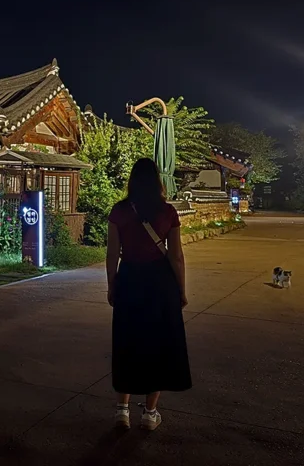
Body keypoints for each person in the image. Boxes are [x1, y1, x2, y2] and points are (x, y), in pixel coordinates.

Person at [106, 158, 192, 430]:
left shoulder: (119, 211)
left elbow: (111, 255)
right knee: (158, 345)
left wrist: (112, 285)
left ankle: (122, 409)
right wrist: (181, 289)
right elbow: (176, 257)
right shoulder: (167, 212)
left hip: (130, 280)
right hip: (160, 283)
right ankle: (149, 413)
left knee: (127, 342)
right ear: (158, 181)